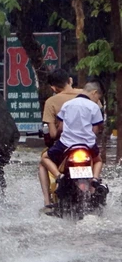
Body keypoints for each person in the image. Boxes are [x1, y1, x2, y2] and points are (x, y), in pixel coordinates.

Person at [40, 82, 104, 187]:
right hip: (88, 146)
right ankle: (95, 179)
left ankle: (59, 176)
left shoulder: (68, 104)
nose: (97, 100)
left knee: (44, 158)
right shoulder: (94, 107)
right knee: (98, 161)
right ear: (94, 92)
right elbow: (95, 130)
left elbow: (60, 127)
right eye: (98, 97)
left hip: (66, 144)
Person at [38, 68, 81, 215]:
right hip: (87, 144)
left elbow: (53, 134)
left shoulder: (51, 102)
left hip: (65, 146)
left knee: (43, 161)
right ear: (70, 80)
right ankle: (95, 182)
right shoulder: (87, 95)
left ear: (53, 87)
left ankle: (48, 202)